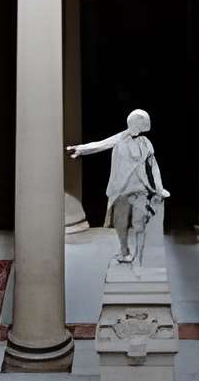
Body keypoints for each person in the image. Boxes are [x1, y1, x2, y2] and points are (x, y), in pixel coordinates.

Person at [71, 109, 170, 269]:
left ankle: (139, 254)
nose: (147, 124)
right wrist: (81, 150)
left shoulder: (146, 143)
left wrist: (159, 188)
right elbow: (101, 144)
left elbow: (153, 168)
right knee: (120, 223)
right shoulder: (120, 139)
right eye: (144, 121)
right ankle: (124, 252)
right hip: (121, 190)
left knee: (140, 223)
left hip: (141, 190)